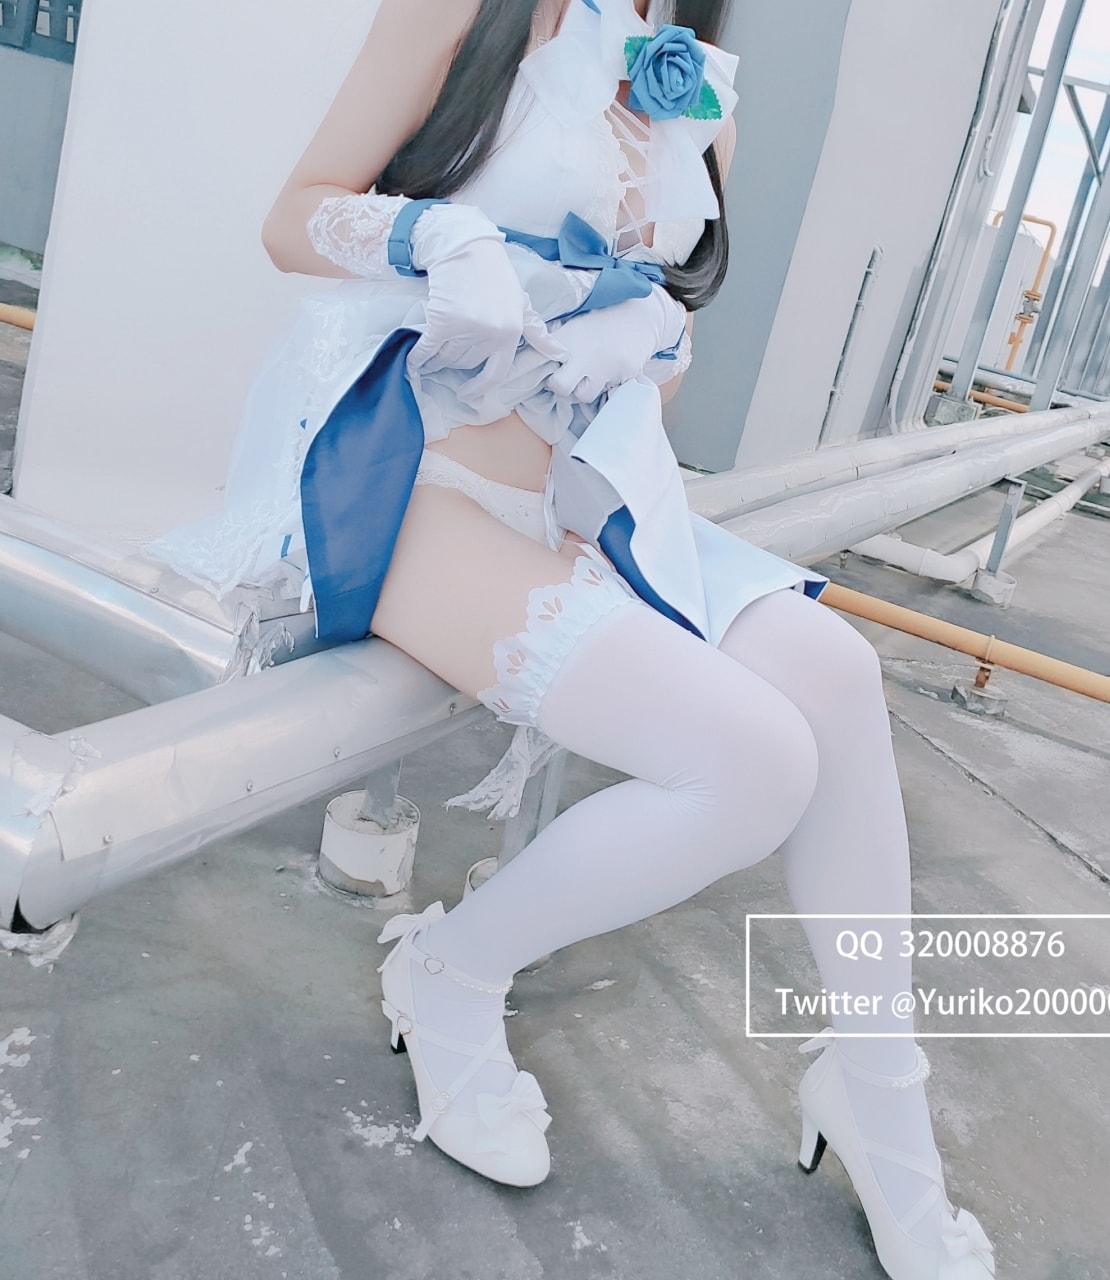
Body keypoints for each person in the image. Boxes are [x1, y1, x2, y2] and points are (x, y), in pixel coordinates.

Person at [145, 2, 997, 1276]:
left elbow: (665, 335)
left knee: (836, 669)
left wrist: (645, 345)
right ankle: (450, 969)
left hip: (581, 491)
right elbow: (294, 215)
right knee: (751, 759)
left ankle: (877, 1087)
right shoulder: (471, 10)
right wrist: (437, 236)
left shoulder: (691, 83)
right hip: (409, 471)